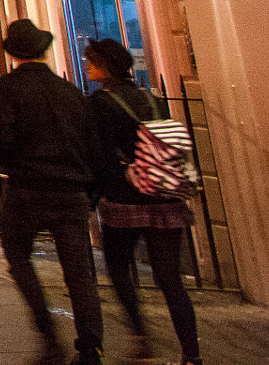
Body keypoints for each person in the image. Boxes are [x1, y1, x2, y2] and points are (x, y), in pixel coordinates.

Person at [0, 19, 101, 365]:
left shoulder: (5, 90)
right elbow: (91, 144)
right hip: (69, 190)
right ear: (43, 49)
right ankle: (90, 347)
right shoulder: (70, 92)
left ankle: (49, 335)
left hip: (27, 188)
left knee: (19, 258)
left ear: (13, 54)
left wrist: (7, 161)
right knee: (79, 270)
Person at [83, 37, 198, 365]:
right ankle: (192, 354)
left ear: (105, 67)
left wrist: (94, 198)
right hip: (164, 196)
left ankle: (139, 335)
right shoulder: (152, 96)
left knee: (118, 266)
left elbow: (101, 158)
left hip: (125, 200)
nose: (87, 65)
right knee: (170, 278)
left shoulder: (100, 103)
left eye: (91, 61)